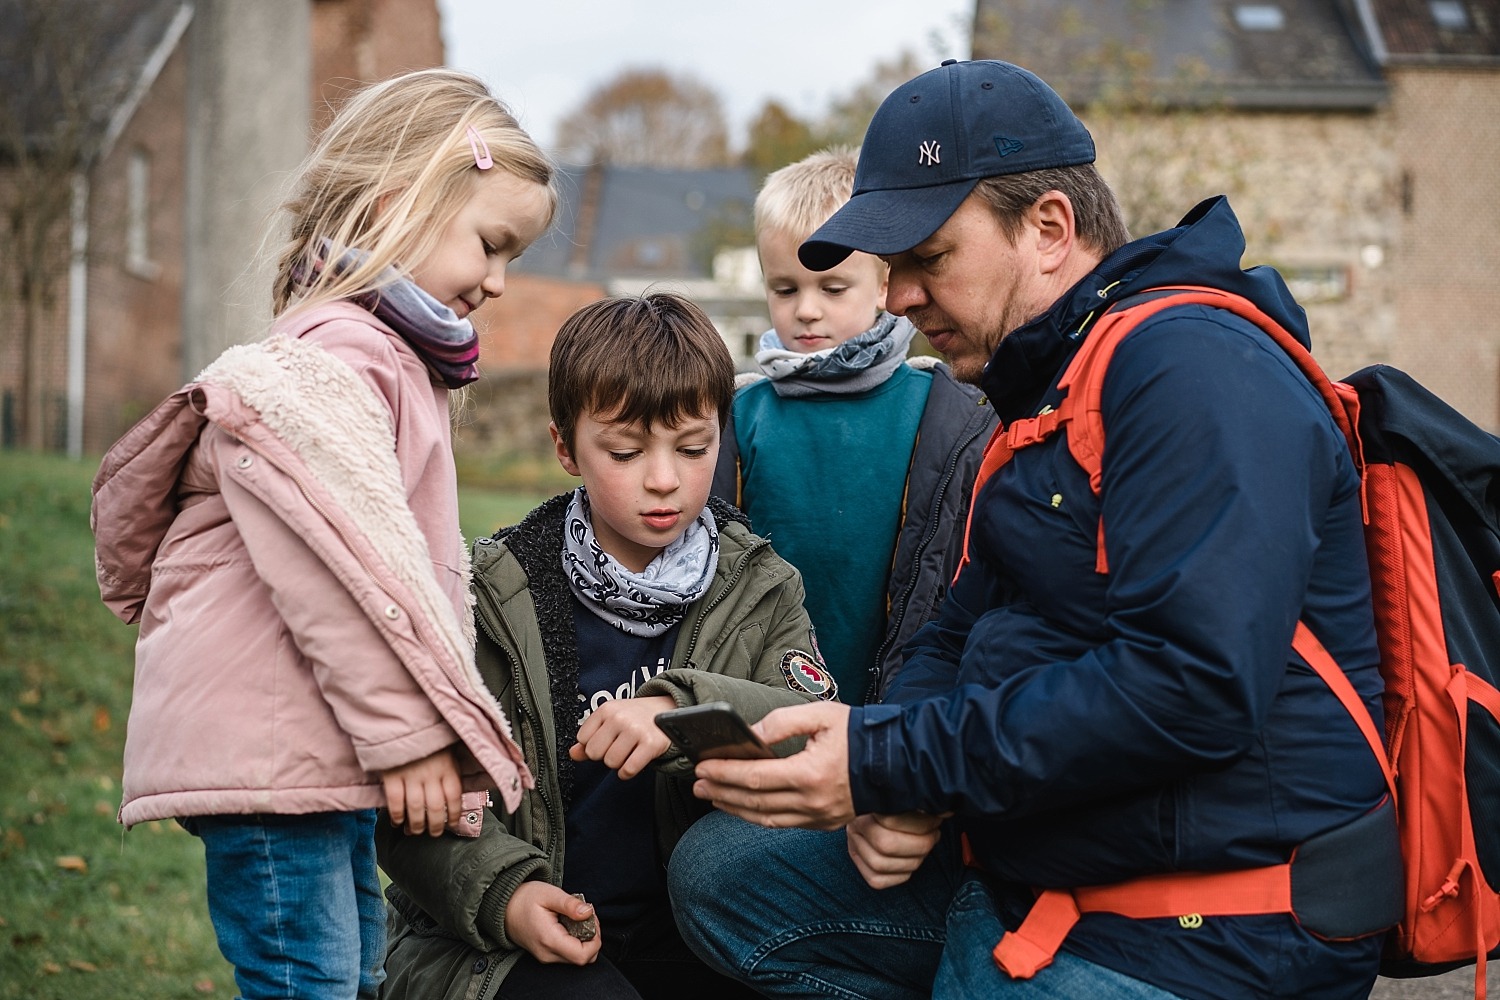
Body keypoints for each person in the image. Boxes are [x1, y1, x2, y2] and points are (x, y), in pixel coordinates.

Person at [669, 59, 1395, 1000]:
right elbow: (960, 626)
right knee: (727, 878)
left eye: (930, 259)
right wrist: (901, 777)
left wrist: (894, 762)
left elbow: (1191, 685)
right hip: (1046, 857)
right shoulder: (1043, 392)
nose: (897, 300)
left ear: (1049, 229)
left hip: (1212, 924)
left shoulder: (1192, 370)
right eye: (891, 270)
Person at [90, 69, 557, 999]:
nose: (500, 283)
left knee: (345, 974)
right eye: (491, 245)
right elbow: (339, 572)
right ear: (400, 203)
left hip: (312, 751)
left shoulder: (386, 358)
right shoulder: (337, 356)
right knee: (309, 978)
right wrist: (412, 739)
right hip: (276, 755)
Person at [376, 292, 837, 1000]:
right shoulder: (484, 597)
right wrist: (507, 896)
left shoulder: (762, 586)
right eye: (625, 451)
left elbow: (814, 738)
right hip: (504, 947)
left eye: (693, 448)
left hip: (699, 938)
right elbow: (411, 806)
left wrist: (682, 711)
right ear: (566, 447)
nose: (664, 479)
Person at [713, 146, 996, 705]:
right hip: (765, 707)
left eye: (833, 287)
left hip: (902, 707)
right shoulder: (739, 414)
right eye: (785, 289)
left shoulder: (948, 412)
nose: (807, 310)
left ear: (884, 282)